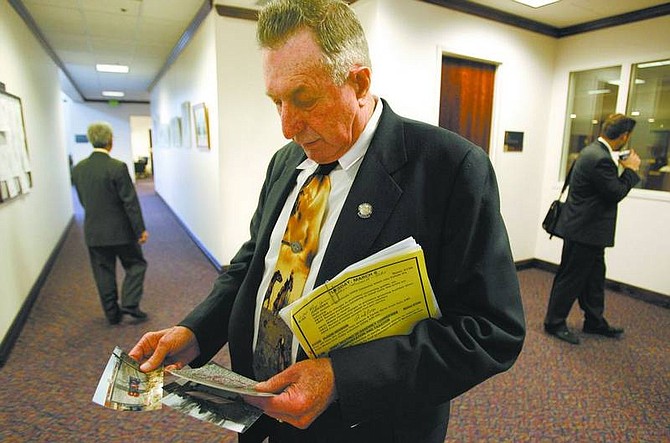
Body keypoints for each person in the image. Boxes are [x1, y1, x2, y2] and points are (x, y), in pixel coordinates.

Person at [129, 1, 525, 441]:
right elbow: (252, 265)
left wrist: (342, 378)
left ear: (358, 83)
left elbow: (491, 331)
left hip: (368, 427)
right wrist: (196, 330)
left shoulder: (450, 169)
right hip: (264, 414)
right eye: (276, 101)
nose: (286, 126)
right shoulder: (285, 163)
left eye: (303, 98)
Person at [544, 114, 641, 345]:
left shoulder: (592, 152)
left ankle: (594, 321)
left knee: (594, 279)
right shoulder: (601, 158)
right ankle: (554, 322)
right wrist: (631, 170)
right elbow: (615, 192)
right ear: (625, 136)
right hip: (584, 231)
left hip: (586, 231)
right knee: (571, 278)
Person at [72, 122, 149, 324]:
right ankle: (130, 303)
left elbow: (82, 200)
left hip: (94, 232)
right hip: (121, 232)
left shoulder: (79, 169)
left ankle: (112, 314)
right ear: (110, 141)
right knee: (136, 264)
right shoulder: (117, 167)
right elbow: (130, 202)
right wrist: (140, 229)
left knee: (103, 272)